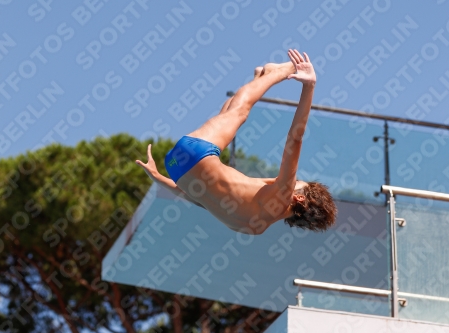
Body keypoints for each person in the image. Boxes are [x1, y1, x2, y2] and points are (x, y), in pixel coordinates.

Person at [136, 49, 337, 235]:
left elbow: (295, 140)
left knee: (239, 112)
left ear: (300, 197)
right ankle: (259, 77)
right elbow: (200, 200)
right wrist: (158, 177)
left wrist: (309, 86)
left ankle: (280, 71)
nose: (295, 181)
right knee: (226, 118)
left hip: (197, 153)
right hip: (176, 168)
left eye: (300, 183)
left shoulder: (283, 195)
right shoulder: (254, 228)